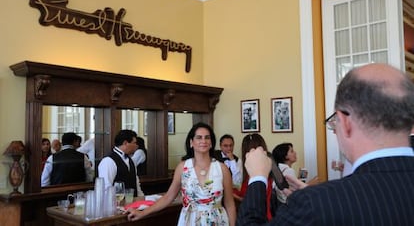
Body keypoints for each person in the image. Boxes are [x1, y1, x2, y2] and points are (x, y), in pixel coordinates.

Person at [237, 63, 414, 225]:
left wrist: (258, 178)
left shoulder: (314, 204)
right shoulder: (316, 201)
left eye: (333, 123)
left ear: (345, 122)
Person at [127, 122, 236, 225]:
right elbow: (168, 197)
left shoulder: (222, 169)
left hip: (217, 221)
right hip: (190, 221)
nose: (204, 140)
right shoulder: (183, 167)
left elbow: (230, 204)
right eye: (199, 137)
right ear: (191, 142)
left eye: (207, 137)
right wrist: (142, 212)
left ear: (211, 143)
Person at [233, 133, 275, 221]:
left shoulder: (254, 176)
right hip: (267, 214)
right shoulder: (267, 169)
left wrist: (231, 194)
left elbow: (249, 198)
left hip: (258, 217)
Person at [98, 129, 144, 197]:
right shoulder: (108, 161)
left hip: (133, 204)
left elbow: (136, 184)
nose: (136, 146)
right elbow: (106, 189)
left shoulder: (131, 160)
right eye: (134, 143)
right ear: (125, 143)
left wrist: (142, 200)